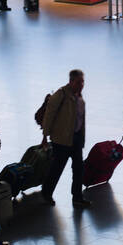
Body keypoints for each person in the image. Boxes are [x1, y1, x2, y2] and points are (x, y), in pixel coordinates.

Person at [40, 69, 89, 208]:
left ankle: (77, 197)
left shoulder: (79, 96)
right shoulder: (61, 94)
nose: (82, 84)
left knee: (78, 168)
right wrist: (45, 135)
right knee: (57, 168)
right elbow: (49, 115)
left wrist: (81, 137)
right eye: (79, 82)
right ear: (71, 81)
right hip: (61, 140)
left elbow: (80, 119)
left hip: (76, 138)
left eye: (83, 82)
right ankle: (46, 193)